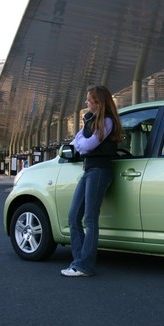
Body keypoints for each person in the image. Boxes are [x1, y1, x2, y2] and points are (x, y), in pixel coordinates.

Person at [61, 85, 122, 277]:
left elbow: (87, 145)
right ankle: (79, 262)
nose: (86, 102)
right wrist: (82, 146)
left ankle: (84, 266)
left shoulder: (107, 122)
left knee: (89, 218)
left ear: (98, 102)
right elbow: (78, 143)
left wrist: (82, 146)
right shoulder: (91, 120)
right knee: (73, 217)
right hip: (89, 170)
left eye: (89, 100)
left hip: (99, 171)